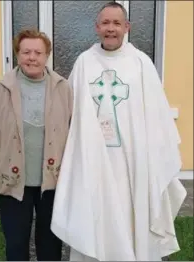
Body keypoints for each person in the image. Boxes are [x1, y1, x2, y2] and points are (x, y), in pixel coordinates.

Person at [50, 2, 187, 261]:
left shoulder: (140, 64)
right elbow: (71, 112)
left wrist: (155, 156)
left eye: (116, 23)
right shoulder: (84, 63)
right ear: (96, 27)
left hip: (132, 162)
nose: (110, 29)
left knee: (130, 214)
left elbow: (156, 116)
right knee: (96, 212)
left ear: (127, 27)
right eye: (105, 23)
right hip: (93, 159)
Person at [0, 29, 73, 261]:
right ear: (17, 55)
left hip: (52, 181)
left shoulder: (63, 88)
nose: (32, 57)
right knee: (16, 241)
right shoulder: (0, 89)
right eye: (26, 52)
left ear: (47, 55)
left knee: (50, 242)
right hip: (13, 182)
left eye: (38, 52)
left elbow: (73, 133)